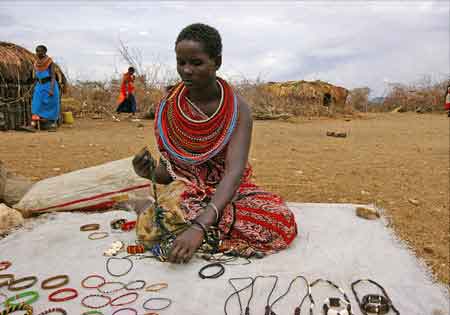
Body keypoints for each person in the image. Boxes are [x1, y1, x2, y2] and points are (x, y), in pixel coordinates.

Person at [133, 23, 297, 264]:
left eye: (196, 63)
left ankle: (180, 227)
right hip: (185, 193)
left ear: (217, 62)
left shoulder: (238, 109)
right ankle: (169, 220)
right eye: (181, 62)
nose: (186, 70)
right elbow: (170, 174)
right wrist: (148, 173)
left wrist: (199, 226)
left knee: (278, 220)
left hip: (228, 192)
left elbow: (234, 173)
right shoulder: (168, 107)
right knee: (174, 208)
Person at [31, 45, 60, 131]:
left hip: (49, 85)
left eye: (39, 51)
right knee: (36, 104)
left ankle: (53, 124)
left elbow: (53, 76)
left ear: (44, 52)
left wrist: (51, 89)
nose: (38, 53)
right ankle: (33, 124)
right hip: (39, 86)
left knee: (52, 104)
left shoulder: (50, 62)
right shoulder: (36, 63)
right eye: (37, 51)